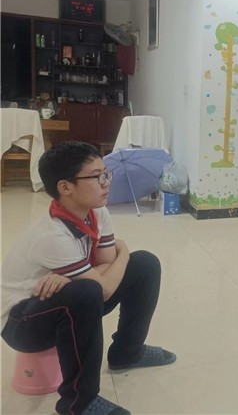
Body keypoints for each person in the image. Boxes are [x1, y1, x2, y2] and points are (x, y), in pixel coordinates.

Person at [1, 142, 176, 415]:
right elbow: (104, 288)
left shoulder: (97, 211)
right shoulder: (52, 235)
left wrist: (76, 278)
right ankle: (78, 403)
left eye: (106, 174)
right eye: (96, 177)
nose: (106, 183)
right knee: (87, 292)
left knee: (145, 264)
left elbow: (106, 262)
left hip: (55, 302)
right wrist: (123, 250)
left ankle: (127, 352)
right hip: (21, 322)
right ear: (65, 187)